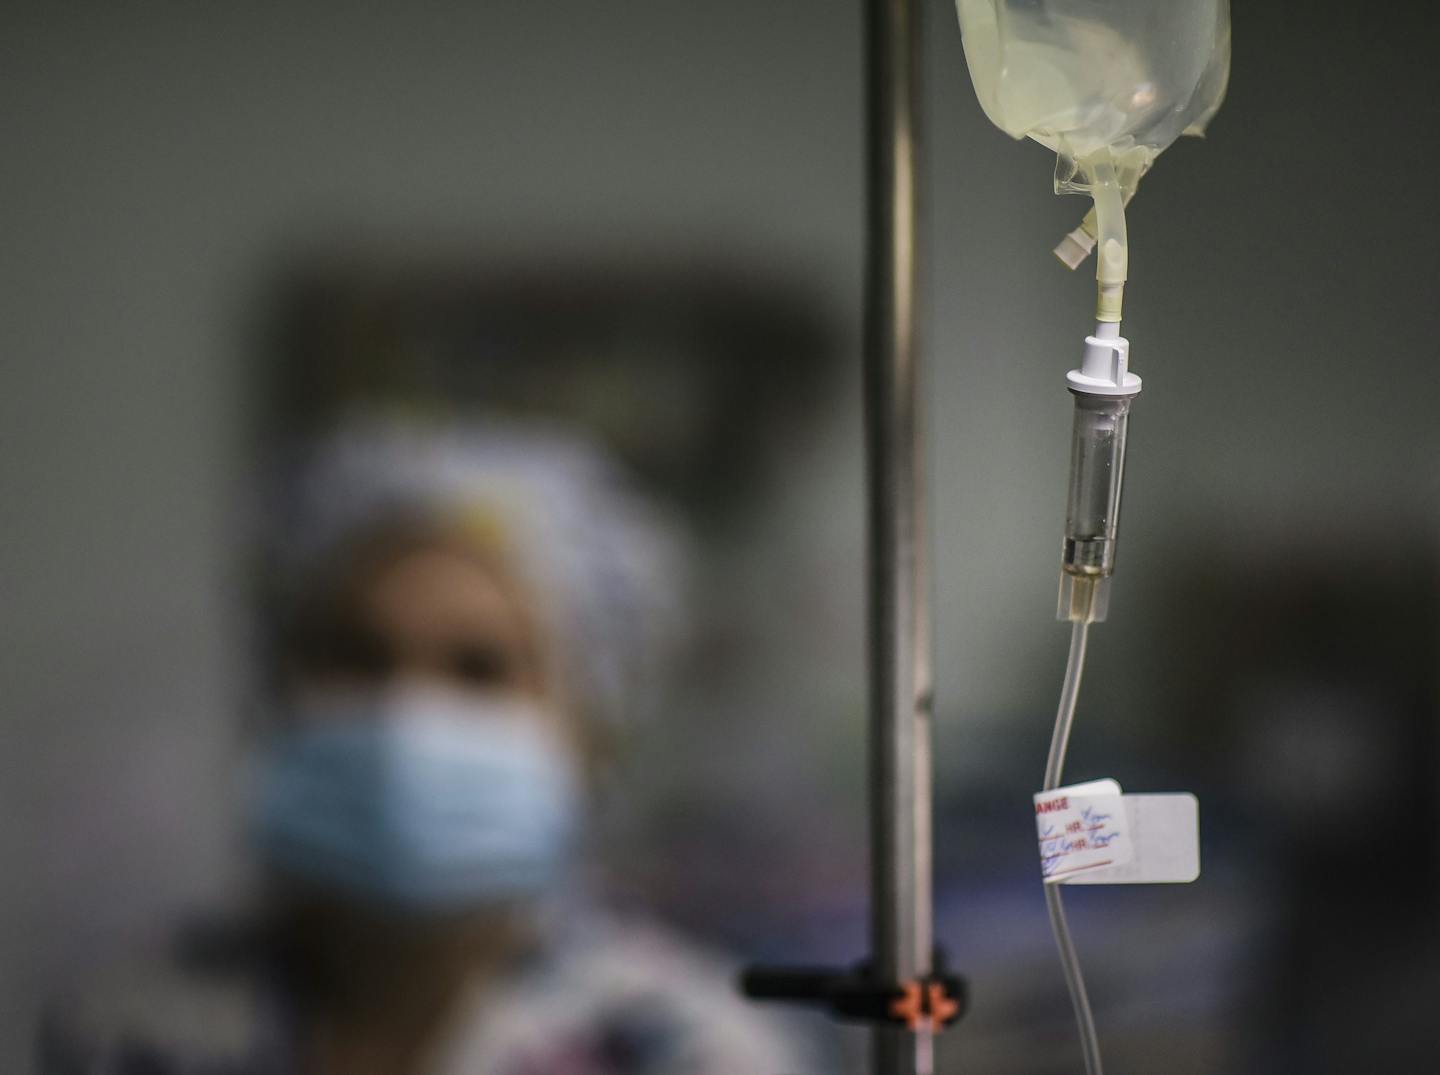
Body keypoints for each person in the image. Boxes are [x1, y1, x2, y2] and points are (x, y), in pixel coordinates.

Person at [39, 413, 808, 1075]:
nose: (405, 710)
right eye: (355, 655)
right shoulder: (125, 1026)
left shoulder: (691, 1051)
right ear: (274, 695)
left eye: (480, 668)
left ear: (590, 731)